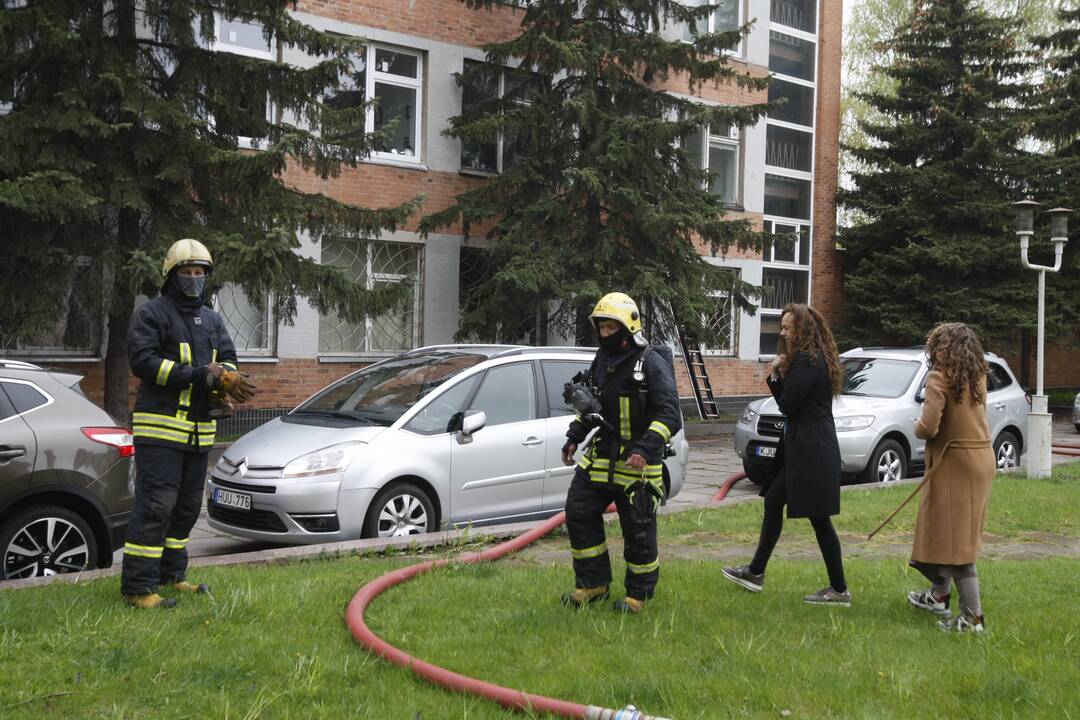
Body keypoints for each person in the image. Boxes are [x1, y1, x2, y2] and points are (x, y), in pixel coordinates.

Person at [121, 239, 257, 609]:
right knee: (156, 506)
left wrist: (227, 378)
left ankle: (172, 576)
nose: (194, 279)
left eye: (200, 273)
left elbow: (227, 358)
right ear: (171, 275)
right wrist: (200, 375)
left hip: (199, 431)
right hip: (161, 430)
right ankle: (138, 588)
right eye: (187, 272)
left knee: (184, 508)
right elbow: (145, 363)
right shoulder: (153, 314)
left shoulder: (212, 319)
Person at [560, 292, 682, 614]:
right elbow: (591, 403)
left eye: (611, 328)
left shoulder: (650, 360)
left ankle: (638, 596)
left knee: (637, 529)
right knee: (579, 509)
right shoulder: (601, 360)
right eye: (601, 327)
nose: (604, 334)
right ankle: (593, 584)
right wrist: (574, 437)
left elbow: (670, 415)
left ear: (628, 328)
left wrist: (645, 448)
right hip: (603, 456)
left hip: (638, 463)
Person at [722, 303, 850, 606]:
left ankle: (840, 590)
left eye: (787, 327)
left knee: (819, 519)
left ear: (802, 330)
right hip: (805, 447)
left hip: (811, 450)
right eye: (782, 326)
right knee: (773, 501)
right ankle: (755, 572)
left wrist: (776, 374)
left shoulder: (807, 361)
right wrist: (781, 374)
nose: (782, 332)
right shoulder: (809, 359)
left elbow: (789, 406)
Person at [907, 322, 995, 633]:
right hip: (980, 460)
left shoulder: (939, 378)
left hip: (956, 464)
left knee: (957, 542)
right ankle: (939, 595)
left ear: (940, 349)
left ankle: (973, 618)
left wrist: (917, 425)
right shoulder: (977, 376)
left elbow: (929, 427)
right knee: (949, 531)